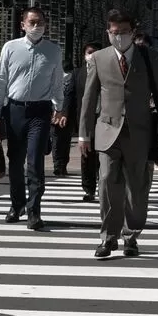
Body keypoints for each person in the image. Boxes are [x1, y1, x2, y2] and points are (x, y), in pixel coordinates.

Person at [79, 9, 158, 258]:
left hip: (140, 132)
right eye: (114, 32)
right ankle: (108, 238)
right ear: (108, 32)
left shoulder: (149, 56)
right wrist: (84, 135)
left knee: (137, 187)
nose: (119, 37)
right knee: (108, 182)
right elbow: (89, 99)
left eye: (124, 32)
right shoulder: (98, 58)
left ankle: (131, 235)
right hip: (107, 130)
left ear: (133, 32)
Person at [0, 7, 65, 231]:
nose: (36, 26)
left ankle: (34, 211)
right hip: (14, 110)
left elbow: (57, 80)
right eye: (32, 22)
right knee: (15, 160)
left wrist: (59, 108)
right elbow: (0, 80)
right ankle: (17, 205)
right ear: (22, 24)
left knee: (35, 161)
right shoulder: (10, 48)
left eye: (40, 22)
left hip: (40, 112)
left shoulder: (53, 50)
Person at [67, 42, 101, 201]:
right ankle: (89, 189)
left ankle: (104, 185)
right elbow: (71, 96)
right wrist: (64, 114)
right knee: (86, 154)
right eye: (89, 52)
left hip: (103, 118)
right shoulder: (77, 74)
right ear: (84, 55)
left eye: (96, 52)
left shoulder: (108, 71)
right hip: (84, 120)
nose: (92, 55)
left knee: (104, 155)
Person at [53, 62, 78, 178]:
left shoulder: (55, 80)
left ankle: (58, 165)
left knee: (56, 140)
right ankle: (62, 165)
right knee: (65, 140)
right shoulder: (73, 80)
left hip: (56, 114)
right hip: (68, 115)